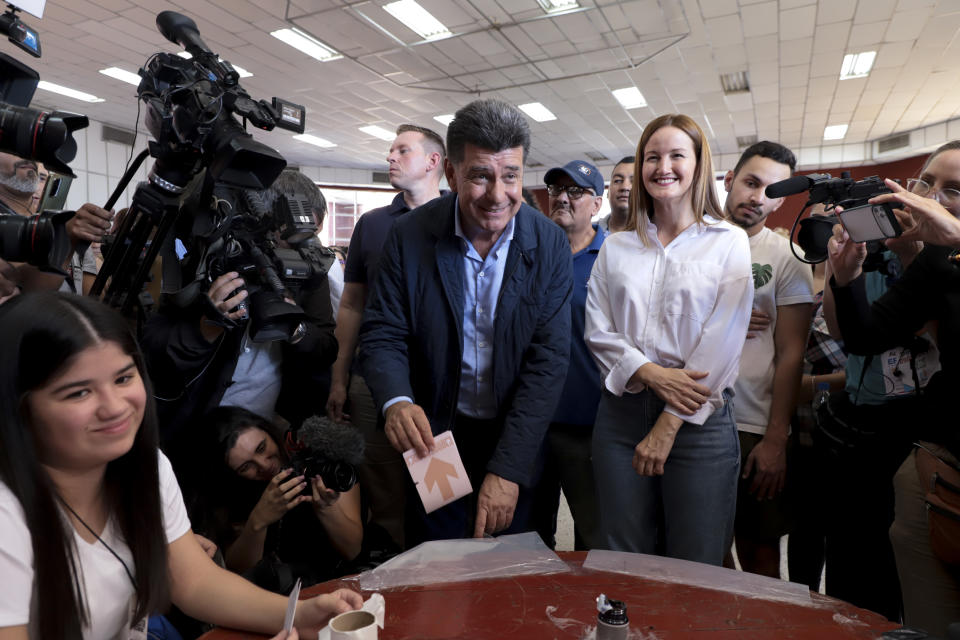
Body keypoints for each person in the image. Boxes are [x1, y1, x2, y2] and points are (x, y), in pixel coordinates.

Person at [0, 291, 361, 640]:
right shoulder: (7, 514)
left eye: (123, 378)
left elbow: (195, 581)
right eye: (79, 392)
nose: (114, 407)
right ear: (18, 406)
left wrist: (299, 614)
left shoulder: (146, 466)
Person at [357, 98, 573, 544]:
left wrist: (508, 468)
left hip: (516, 432)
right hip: (435, 434)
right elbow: (384, 331)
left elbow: (548, 362)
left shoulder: (548, 242)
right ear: (451, 175)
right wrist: (396, 400)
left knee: (517, 557)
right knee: (440, 554)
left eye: (510, 176)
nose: (498, 195)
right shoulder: (410, 235)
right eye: (480, 175)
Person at [585, 113, 752, 565]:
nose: (664, 166)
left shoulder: (728, 242)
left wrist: (668, 421)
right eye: (652, 156)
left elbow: (724, 339)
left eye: (678, 155)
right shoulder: (617, 246)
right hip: (621, 415)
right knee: (624, 552)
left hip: (699, 419)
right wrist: (653, 374)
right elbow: (598, 330)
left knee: (697, 558)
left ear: (699, 165)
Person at [828, 140, 960, 635]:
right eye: (927, 183)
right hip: (940, 463)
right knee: (928, 621)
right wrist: (845, 277)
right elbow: (865, 337)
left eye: (955, 189)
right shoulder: (937, 262)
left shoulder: (951, 252)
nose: (936, 197)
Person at [141, 182, 338, 456]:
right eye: (290, 236)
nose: (303, 246)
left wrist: (296, 328)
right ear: (265, 220)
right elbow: (153, 346)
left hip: (264, 429)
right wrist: (206, 327)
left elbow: (326, 347)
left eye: (310, 235)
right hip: (192, 428)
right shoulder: (208, 259)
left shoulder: (310, 269)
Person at [325, 124, 446, 550]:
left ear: (433, 161)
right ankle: (395, 567)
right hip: (372, 382)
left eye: (402, 150)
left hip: (437, 384)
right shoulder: (373, 225)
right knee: (384, 490)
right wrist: (340, 378)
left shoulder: (459, 219)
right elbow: (352, 305)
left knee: (439, 491)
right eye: (390, 150)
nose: (390, 157)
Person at [722, 141, 813, 578]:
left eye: (771, 191)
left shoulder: (788, 259)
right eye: (751, 182)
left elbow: (792, 352)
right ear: (729, 181)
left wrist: (777, 438)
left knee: (759, 553)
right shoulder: (691, 243)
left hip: (754, 425)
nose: (757, 197)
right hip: (691, 412)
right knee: (702, 549)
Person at [184, 406, 362, 593]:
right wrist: (259, 520)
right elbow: (240, 571)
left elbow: (352, 549)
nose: (264, 464)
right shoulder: (232, 497)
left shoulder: (319, 455)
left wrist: (326, 509)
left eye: (261, 448)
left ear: (268, 430)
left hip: (344, 578)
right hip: (284, 593)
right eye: (246, 467)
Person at [533, 159, 606, 550]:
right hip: (533, 422)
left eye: (575, 191)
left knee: (593, 538)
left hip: (589, 426)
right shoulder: (530, 255)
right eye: (557, 191)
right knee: (529, 533)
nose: (562, 198)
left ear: (596, 204)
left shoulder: (613, 257)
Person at [0, 151, 112, 294]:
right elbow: (31, 293)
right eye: (12, 147)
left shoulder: (67, 225)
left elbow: (93, 297)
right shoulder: (68, 229)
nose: (29, 156)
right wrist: (65, 239)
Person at [599, 156, 634, 233]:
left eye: (634, 181)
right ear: (608, 192)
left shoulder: (659, 236)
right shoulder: (588, 234)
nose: (625, 187)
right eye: (618, 181)